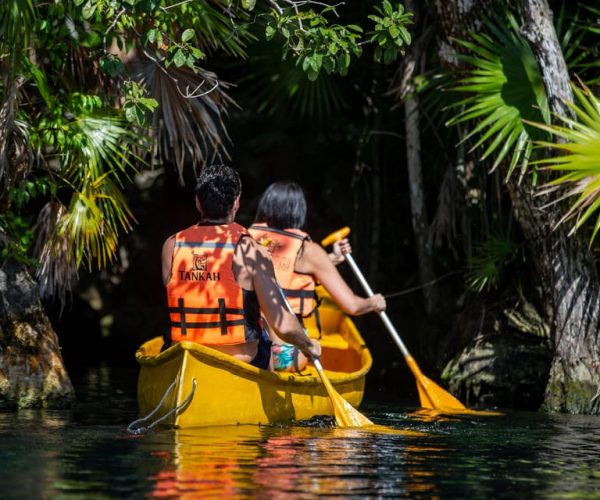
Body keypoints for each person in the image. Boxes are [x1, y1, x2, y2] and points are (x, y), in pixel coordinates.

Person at [161, 165, 321, 370]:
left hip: (185, 356)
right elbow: (283, 326)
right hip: (240, 362)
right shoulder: (252, 250)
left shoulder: (171, 245)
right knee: (284, 351)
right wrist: (310, 345)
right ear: (236, 202)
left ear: (198, 203)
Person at [248, 181, 386, 372]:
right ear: (299, 211)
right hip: (281, 355)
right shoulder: (309, 251)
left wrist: (331, 259)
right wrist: (374, 302)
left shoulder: (247, 238)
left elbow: (277, 269)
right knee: (308, 346)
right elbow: (352, 306)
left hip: (244, 347)